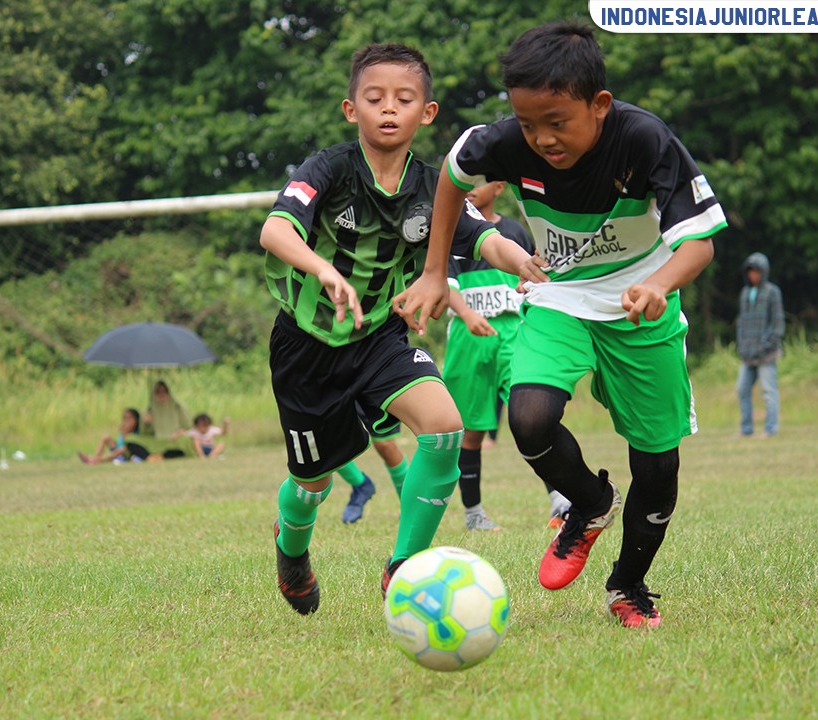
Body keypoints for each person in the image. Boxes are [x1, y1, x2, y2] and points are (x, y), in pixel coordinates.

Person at [417, 22, 727, 628]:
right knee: (529, 418)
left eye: (557, 122)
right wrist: (434, 271)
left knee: (658, 468)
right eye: (528, 124)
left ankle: (628, 585)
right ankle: (589, 504)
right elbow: (451, 177)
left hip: (640, 305)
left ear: (599, 105)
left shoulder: (644, 139)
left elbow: (702, 242)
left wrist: (659, 285)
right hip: (560, 295)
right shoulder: (506, 143)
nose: (542, 139)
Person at [259, 43, 527, 615]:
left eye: (404, 99)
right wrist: (325, 271)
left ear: (425, 114)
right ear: (350, 109)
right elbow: (276, 231)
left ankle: (403, 568)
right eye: (374, 97)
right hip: (306, 348)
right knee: (312, 484)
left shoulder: (435, 187)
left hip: (381, 339)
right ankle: (291, 547)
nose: (388, 108)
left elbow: (485, 238)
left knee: (444, 425)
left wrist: (524, 260)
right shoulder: (327, 169)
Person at [443, 180, 570, 531]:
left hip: (513, 335)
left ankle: (561, 502)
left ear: (498, 186)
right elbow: (443, 284)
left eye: (477, 181)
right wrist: (468, 315)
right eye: (463, 180)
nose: (468, 187)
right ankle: (474, 514)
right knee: (471, 433)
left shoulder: (513, 231)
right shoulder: (451, 231)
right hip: (469, 340)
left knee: (530, 416)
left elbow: (535, 276)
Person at [736, 252, 784, 438]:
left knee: (768, 391)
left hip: (766, 354)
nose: (753, 275)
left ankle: (770, 429)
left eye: (757, 271)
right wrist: (742, 345)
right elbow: (741, 322)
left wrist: (765, 345)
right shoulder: (745, 293)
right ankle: (746, 429)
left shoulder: (772, 292)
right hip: (747, 354)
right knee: (742, 389)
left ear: (764, 272)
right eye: (750, 272)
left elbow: (778, 324)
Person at [78, 408, 160, 464]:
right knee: (105, 437)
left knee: (123, 449)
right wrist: (123, 432)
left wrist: (125, 434)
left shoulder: (138, 433)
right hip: (118, 450)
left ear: (136, 420)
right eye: (125, 419)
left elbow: (128, 446)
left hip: (127, 452)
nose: (127, 422)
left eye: (129, 419)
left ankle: (100, 460)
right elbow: (119, 442)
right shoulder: (123, 429)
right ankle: (94, 457)